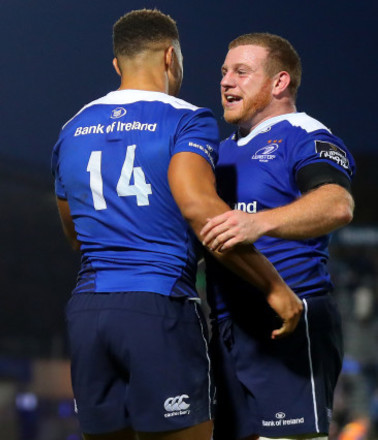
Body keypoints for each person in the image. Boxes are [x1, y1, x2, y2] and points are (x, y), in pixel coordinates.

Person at [51, 10, 302, 440]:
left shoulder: (71, 128)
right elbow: (199, 208)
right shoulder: (187, 119)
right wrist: (275, 288)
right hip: (158, 305)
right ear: (171, 57)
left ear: (117, 64)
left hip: (88, 312)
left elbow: (73, 231)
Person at [201, 32, 355, 440]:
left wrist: (259, 222)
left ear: (279, 82)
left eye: (241, 71)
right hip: (229, 330)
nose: (226, 81)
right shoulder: (219, 152)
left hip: (288, 323)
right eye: (223, 72)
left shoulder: (304, 134)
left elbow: (337, 203)